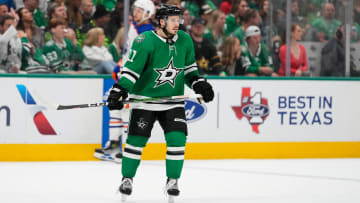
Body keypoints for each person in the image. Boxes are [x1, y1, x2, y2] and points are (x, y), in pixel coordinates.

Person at [107, 4, 214, 201]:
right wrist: (120, 89)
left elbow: (190, 71)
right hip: (145, 102)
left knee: (177, 140)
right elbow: (131, 72)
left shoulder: (185, 40)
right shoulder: (144, 40)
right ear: (162, 21)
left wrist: (199, 84)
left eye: (179, 20)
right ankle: (127, 179)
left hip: (172, 102)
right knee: (136, 142)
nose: (177, 24)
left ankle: (172, 181)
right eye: (173, 20)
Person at [93, 0, 155, 163]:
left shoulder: (148, 33)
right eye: (135, 10)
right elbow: (129, 54)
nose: (136, 13)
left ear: (148, 13)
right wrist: (120, 66)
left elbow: (144, 60)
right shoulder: (133, 29)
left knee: (128, 110)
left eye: (140, 11)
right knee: (114, 105)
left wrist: (128, 72)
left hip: (137, 79)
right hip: (127, 74)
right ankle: (114, 145)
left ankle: (128, 150)